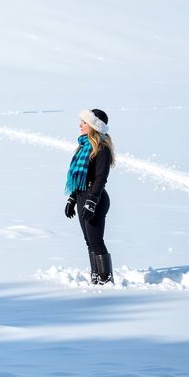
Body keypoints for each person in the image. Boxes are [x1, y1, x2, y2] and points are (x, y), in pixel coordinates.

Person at [64, 108, 115, 284]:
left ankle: (105, 279)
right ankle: (96, 278)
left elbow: (101, 178)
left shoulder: (102, 148)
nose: (80, 125)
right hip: (81, 195)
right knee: (89, 240)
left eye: (84, 122)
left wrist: (92, 201)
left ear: (94, 126)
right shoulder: (83, 146)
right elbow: (79, 177)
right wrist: (72, 198)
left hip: (96, 197)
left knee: (96, 240)